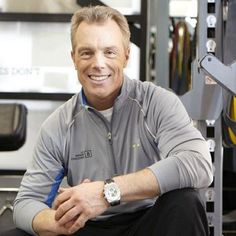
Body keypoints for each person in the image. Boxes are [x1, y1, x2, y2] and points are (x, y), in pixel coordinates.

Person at [7, 5, 212, 236]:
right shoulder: (58, 125)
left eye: (109, 52)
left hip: (149, 223)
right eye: (86, 52)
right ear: (73, 58)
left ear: (126, 55)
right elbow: (26, 203)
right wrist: (56, 221)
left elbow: (198, 163)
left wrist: (106, 192)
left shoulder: (157, 103)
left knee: (185, 201)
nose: (98, 63)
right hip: (87, 227)